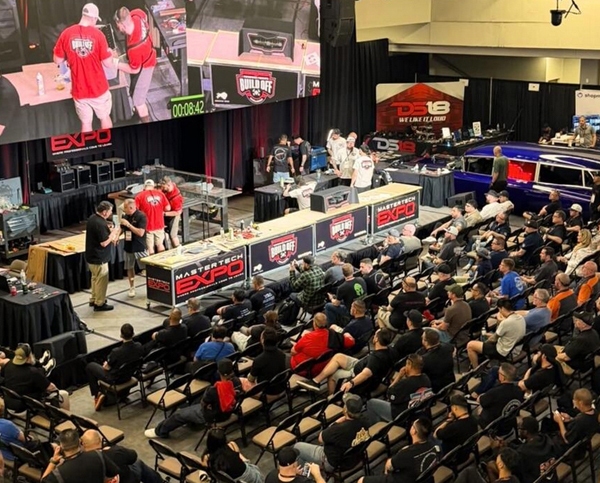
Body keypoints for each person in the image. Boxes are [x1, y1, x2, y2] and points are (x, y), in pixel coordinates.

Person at [53, 3, 114, 132]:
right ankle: (109, 142)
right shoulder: (98, 35)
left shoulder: (66, 34)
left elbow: (57, 60)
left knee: (86, 124)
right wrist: (110, 53)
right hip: (98, 89)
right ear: (93, 18)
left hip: (79, 90)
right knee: (104, 118)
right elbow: (108, 64)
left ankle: (88, 144)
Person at [146, 358, 242, 439]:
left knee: (178, 414)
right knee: (195, 401)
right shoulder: (237, 382)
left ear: (219, 371)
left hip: (213, 416)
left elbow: (203, 404)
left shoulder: (213, 390)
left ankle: (160, 431)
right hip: (228, 412)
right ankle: (191, 420)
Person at [299, 328, 395, 395]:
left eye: (375, 335)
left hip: (357, 374)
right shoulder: (390, 351)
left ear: (376, 339)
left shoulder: (376, 359)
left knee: (333, 374)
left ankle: (333, 399)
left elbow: (365, 374)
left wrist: (351, 383)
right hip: (361, 363)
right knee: (338, 356)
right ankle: (316, 381)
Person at [294, 393, 369, 472]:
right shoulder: (365, 421)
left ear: (345, 409)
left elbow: (320, 438)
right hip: (354, 459)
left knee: (297, 447)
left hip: (334, 463)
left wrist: (335, 423)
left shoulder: (338, 429)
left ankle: (308, 475)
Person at [358, 418, 439, 483]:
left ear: (414, 431)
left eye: (413, 425)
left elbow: (389, 466)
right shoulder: (435, 446)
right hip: (424, 479)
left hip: (403, 480)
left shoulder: (407, 453)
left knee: (361, 480)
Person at [85, 323, 144, 411]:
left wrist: (106, 366)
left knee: (90, 366)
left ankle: (97, 395)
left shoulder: (116, 352)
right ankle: (119, 394)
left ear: (121, 335)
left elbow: (107, 367)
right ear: (133, 334)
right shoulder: (139, 346)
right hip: (129, 375)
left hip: (115, 379)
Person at [113, 6, 157, 123]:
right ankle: (137, 115)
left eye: (118, 25)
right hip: (145, 54)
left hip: (146, 66)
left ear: (122, 25)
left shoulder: (135, 49)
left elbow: (134, 70)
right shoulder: (137, 15)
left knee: (138, 101)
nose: (117, 28)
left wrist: (115, 64)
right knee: (133, 91)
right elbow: (145, 15)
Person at [366, 353, 431, 425]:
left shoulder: (405, 383)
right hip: (419, 411)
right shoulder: (426, 378)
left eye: (406, 364)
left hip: (402, 416)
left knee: (371, 403)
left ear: (409, 365)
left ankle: (377, 428)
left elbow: (389, 393)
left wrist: (398, 377)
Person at [2, 344, 70, 412]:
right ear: (28, 357)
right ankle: (66, 417)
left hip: (10, 403)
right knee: (63, 394)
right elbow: (51, 388)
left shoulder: (8, 365)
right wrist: (56, 390)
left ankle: (42, 367)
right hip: (26, 405)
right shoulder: (33, 372)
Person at [81, 429, 162, 483]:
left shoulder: (80, 462)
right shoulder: (115, 452)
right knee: (138, 463)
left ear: (83, 445)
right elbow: (133, 456)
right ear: (100, 440)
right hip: (127, 480)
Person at [41, 429, 120, 483]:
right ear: (79, 442)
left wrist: (53, 461)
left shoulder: (58, 473)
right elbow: (114, 473)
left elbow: (43, 481)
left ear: (61, 446)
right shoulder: (98, 454)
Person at [467, 299, 525, 368]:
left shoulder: (506, 322)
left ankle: (475, 369)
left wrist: (485, 342)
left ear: (502, 308)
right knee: (487, 337)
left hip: (501, 351)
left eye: (499, 309)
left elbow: (493, 339)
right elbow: (501, 335)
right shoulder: (520, 317)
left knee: (470, 345)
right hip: (512, 346)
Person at [85, 201, 119, 312]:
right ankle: (99, 303)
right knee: (101, 280)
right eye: (110, 211)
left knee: (95, 278)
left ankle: (94, 298)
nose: (110, 213)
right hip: (99, 258)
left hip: (91, 256)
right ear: (104, 212)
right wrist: (113, 233)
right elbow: (104, 243)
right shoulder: (100, 223)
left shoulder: (92, 218)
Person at [474, 363, 523, 432]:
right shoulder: (519, 391)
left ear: (502, 377)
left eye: (498, 372)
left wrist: (481, 396)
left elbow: (480, 400)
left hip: (493, 427)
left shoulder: (495, 392)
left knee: (477, 409)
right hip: (508, 424)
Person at [552, 388, 599, 457]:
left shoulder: (579, 420)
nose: (573, 402)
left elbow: (567, 439)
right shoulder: (595, 412)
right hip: (583, 440)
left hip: (574, 450)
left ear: (580, 403)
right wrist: (571, 419)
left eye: (574, 400)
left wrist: (560, 421)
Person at [434, 395, 479, 464]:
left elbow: (436, 435)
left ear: (454, 408)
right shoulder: (474, 419)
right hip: (466, 453)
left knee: (431, 438)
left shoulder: (454, 427)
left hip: (452, 458)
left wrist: (448, 421)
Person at [513, 417, 559, 483]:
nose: (519, 431)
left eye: (520, 428)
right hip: (553, 479)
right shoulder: (546, 439)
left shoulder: (523, 452)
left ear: (526, 432)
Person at [119, 198, 147, 298]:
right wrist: (116, 236)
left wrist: (129, 225)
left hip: (139, 246)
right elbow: (122, 228)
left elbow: (140, 233)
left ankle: (150, 286)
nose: (123, 209)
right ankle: (132, 287)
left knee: (146, 267)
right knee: (129, 267)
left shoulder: (141, 216)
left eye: (125, 208)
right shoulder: (125, 216)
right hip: (128, 246)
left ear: (131, 207)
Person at [246, 328, 288, 394]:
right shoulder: (282, 354)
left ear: (262, 340)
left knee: (242, 382)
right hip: (281, 387)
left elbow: (251, 379)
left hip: (266, 392)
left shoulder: (259, 360)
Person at [135, 179, 170, 255]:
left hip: (147, 226)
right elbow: (168, 208)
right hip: (159, 224)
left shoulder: (139, 196)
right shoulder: (160, 194)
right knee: (160, 244)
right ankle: (162, 259)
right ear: (153, 186)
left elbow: (135, 211)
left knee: (150, 247)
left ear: (144, 187)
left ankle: (151, 262)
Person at [455, 448, 520, 483]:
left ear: (500, 465)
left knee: (468, 472)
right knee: (470, 471)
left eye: (498, 457)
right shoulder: (515, 478)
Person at [159, 176, 184, 248]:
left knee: (173, 235)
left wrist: (164, 214)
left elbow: (178, 212)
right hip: (166, 213)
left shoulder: (176, 197)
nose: (162, 188)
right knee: (165, 233)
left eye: (163, 187)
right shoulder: (168, 188)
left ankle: (178, 249)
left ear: (168, 185)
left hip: (173, 215)